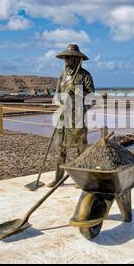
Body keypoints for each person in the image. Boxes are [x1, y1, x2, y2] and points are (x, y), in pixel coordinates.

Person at [46, 44, 95, 188]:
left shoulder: (85, 75)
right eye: (65, 58)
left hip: (78, 116)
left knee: (81, 149)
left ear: (76, 59)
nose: (67, 61)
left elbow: (91, 97)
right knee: (60, 147)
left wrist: (77, 91)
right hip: (62, 116)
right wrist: (58, 103)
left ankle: (82, 180)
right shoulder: (63, 75)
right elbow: (56, 94)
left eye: (69, 58)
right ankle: (58, 179)